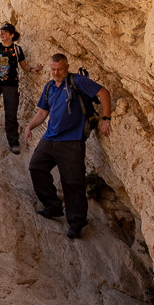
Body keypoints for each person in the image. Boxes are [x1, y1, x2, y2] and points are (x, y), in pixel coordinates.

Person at [23, 54, 112, 239]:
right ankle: (53, 206)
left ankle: (77, 223)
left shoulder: (77, 81)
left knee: (73, 182)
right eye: (53, 69)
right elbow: (42, 111)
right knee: (36, 167)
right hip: (50, 138)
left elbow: (103, 93)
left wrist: (106, 118)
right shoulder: (49, 87)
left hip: (72, 140)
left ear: (67, 67)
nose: (56, 73)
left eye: (60, 69)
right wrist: (30, 127)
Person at [0, 22, 40, 154]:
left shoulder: (17, 50)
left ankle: (13, 142)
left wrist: (32, 69)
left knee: (11, 114)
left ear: (12, 35)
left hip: (11, 85)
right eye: (0, 32)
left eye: (4, 32)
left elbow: (23, 66)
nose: (1, 34)